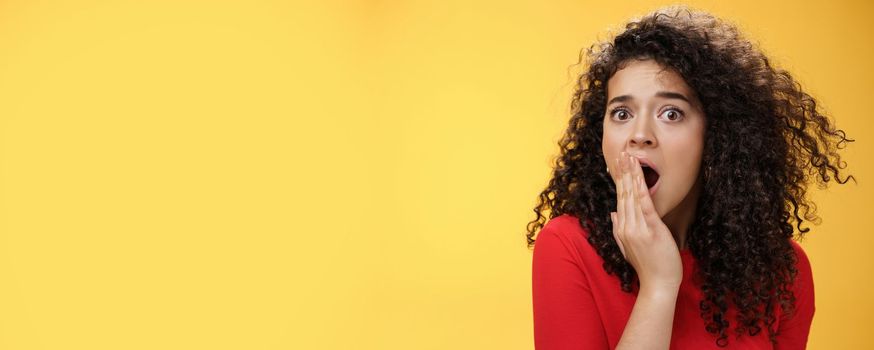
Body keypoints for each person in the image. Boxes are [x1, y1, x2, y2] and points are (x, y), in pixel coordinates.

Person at [526, 5, 854, 350]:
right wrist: (658, 287)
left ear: (717, 135)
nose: (640, 134)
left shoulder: (784, 272)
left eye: (671, 113)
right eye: (621, 113)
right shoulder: (568, 245)